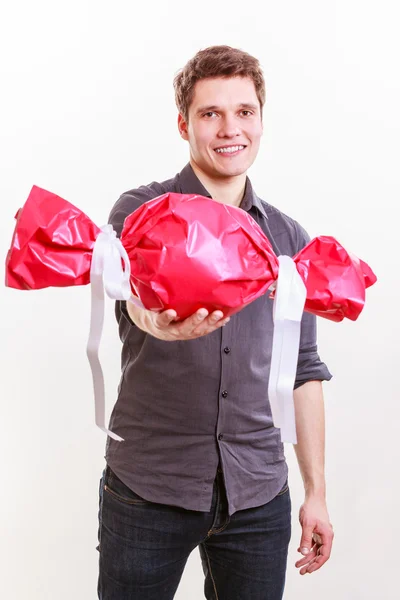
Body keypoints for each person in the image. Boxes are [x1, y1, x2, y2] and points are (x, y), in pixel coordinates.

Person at [96, 45, 334, 600]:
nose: (231, 129)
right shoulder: (141, 211)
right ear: (184, 124)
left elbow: (303, 369)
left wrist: (316, 492)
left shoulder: (289, 240)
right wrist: (157, 323)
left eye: (244, 112)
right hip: (148, 487)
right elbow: (130, 303)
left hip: (258, 494)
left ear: (260, 120)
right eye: (211, 113)